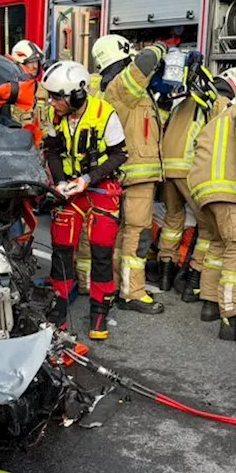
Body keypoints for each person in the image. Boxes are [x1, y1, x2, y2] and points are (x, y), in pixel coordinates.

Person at [40, 60, 127, 340]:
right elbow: (52, 150)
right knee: (62, 249)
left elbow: (119, 155)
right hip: (71, 190)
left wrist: (88, 179)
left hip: (100, 188)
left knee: (102, 252)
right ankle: (59, 310)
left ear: (76, 94)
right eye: (50, 97)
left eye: (56, 97)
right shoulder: (56, 116)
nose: (52, 102)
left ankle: (99, 313)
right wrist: (62, 180)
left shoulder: (105, 114)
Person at [92, 34, 168, 316]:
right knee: (138, 233)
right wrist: (160, 45)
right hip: (134, 174)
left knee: (123, 231)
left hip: (129, 172)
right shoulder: (121, 85)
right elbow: (146, 61)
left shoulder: (119, 88)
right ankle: (132, 292)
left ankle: (116, 286)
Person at [157, 60, 236, 309]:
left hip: (166, 167)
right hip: (189, 168)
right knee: (208, 228)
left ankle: (165, 275)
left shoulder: (186, 101)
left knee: (173, 220)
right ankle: (194, 281)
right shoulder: (218, 104)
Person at [188, 77, 236, 342]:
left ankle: (210, 303)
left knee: (217, 244)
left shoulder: (213, 121)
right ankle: (233, 318)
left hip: (202, 192)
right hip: (229, 191)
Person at [0, 40, 44, 146]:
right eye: (30, 62)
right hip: (10, 145)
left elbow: (44, 124)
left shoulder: (41, 90)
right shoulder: (4, 87)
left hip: (33, 147)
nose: (35, 67)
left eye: (37, 62)